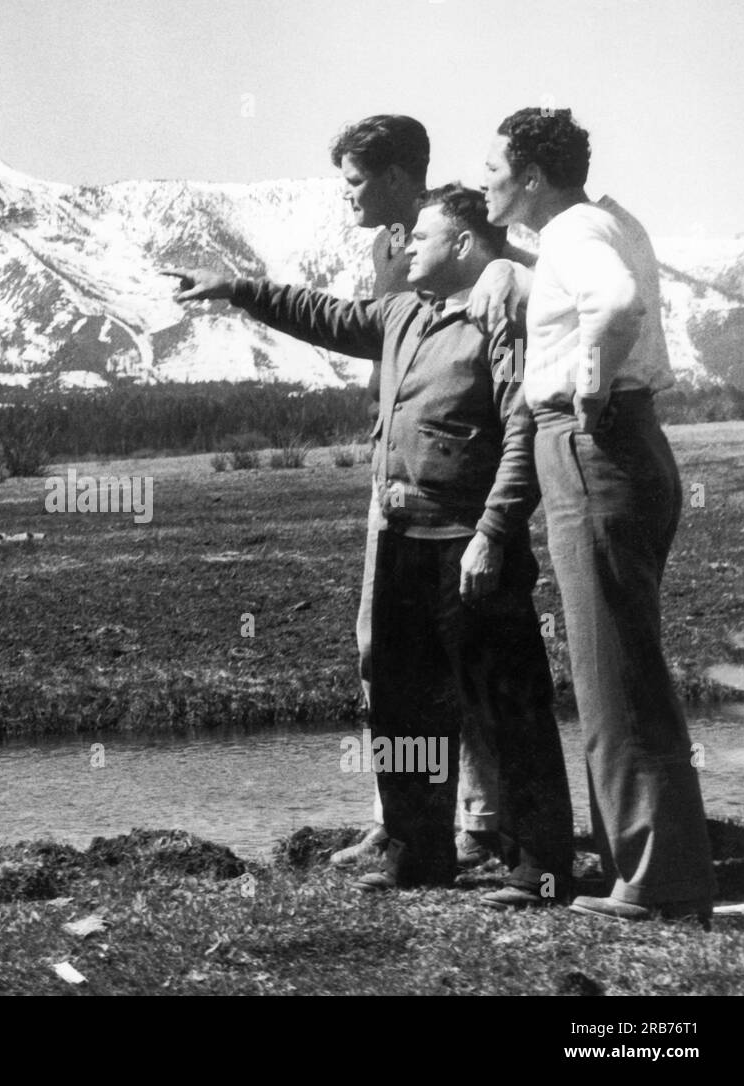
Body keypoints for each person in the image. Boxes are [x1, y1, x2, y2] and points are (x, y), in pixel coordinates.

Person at [165, 185, 575, 901]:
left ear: (464, 245)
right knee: (403, 706)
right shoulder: (400, 313)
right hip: (400, 541)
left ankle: (538, 867)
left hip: (470, 544)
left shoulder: (500, 313)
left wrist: (494, 532)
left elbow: (524, 429)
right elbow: (321, 314)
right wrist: (235, 289)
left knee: (505, 706)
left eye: (421, 237)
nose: (405, 247)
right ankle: (418, 858)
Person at [480, 108, 716, 925]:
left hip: (592, 445)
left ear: (532, 177)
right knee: (623, 660)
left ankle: (658, 881)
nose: (487, 183)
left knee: (613, 670)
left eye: (495, 169)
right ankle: (642, 866)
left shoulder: (577, 234)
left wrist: (586, 379)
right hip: (628, 445)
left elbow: (615, 308)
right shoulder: (605, 220)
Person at [325, 116, 504, 869]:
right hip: (390, 480)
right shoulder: (388, 250)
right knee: (384, 654)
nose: (348, 197)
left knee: (466, 661)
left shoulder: (458, 243)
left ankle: (483, 820)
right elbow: (375, 331)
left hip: (450, 494)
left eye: (357, 181)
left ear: (399, 176)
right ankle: (398, 817)